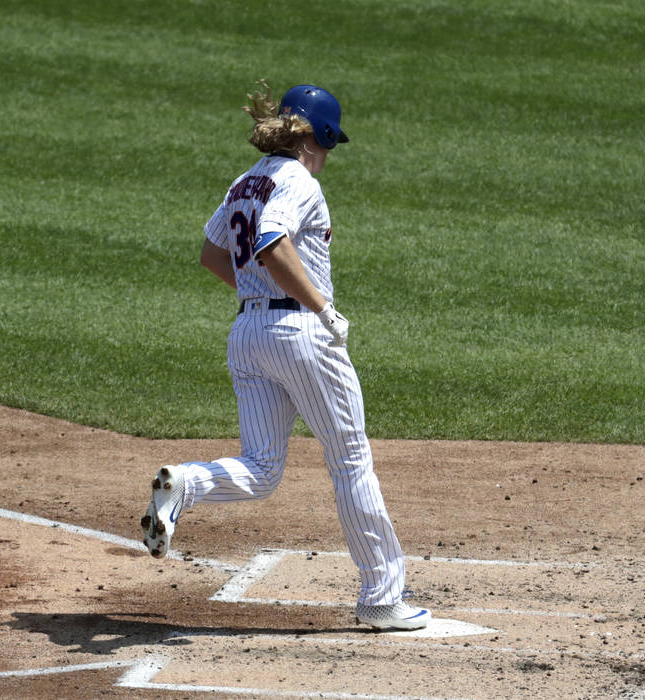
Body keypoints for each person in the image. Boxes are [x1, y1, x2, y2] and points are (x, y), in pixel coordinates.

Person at [140, 81, 431, 631]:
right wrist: (320, 308)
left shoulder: (246, 180)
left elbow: (211, 253)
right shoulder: (298, 180)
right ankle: (383, 597)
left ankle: (187, 484)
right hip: (301, 334)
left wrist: (259, 297)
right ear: (318, 137)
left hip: (248, 333)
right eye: (330, 144)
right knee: (350, 461)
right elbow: (273, 242)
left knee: (263, 467)